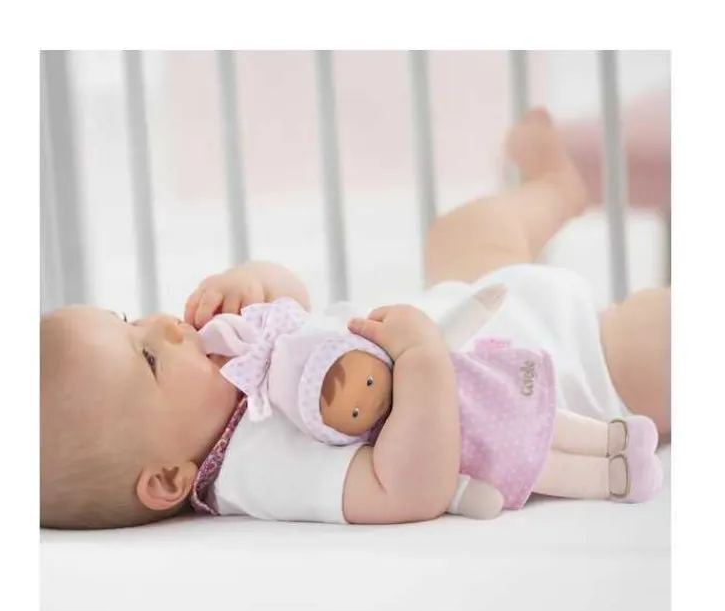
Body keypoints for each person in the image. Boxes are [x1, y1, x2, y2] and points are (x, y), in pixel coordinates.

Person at [40, 109, 670, 529]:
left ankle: (557, 190)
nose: (163, 324)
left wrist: (256, 282)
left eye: (129, 320)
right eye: (148, 357)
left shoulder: (223, 362)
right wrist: (420, 362)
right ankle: (557, 194)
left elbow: (299, 307)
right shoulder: (257, 468)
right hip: (572, 368)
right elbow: (406, 489)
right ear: (167, 480)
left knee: (461, 231)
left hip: (470, 302)